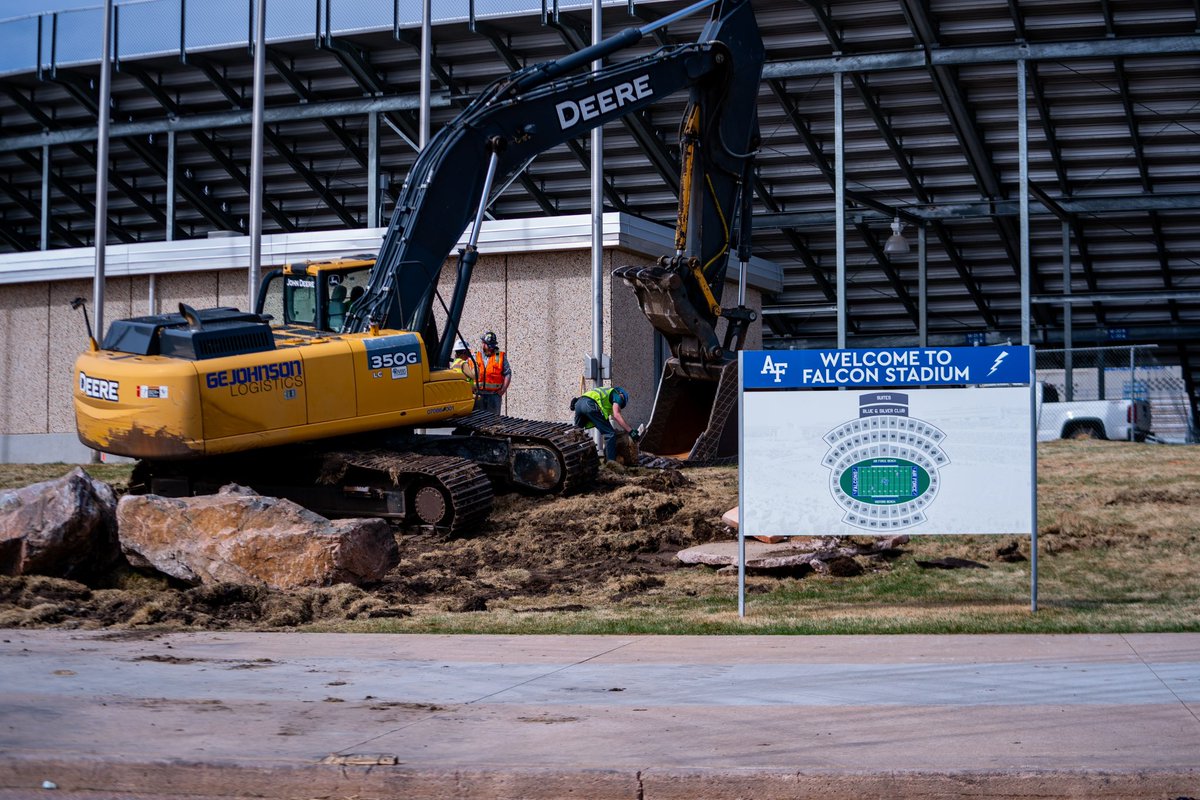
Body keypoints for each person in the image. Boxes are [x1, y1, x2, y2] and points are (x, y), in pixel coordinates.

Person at [572, 385, 636, 461]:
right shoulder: (618, 396)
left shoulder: (605, 393)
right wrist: (631, 431)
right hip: (589, 405)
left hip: (579, 404)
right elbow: (617, 415)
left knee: (575, 434)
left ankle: (572, 458)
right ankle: (611, 463)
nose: (619, 405)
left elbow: (613, 418)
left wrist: (577, 401)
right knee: (610, 434)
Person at [471, 330, 511, 414]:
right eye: (489, 346)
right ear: (483, 343)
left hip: (494, 396)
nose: (491, 348)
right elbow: (468, 375)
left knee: (494, 422)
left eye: (492, 346)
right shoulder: (475, 356)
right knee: (478, 421)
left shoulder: (499, 356)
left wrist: (503, 390)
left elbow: (507, 373)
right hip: (478, 396)